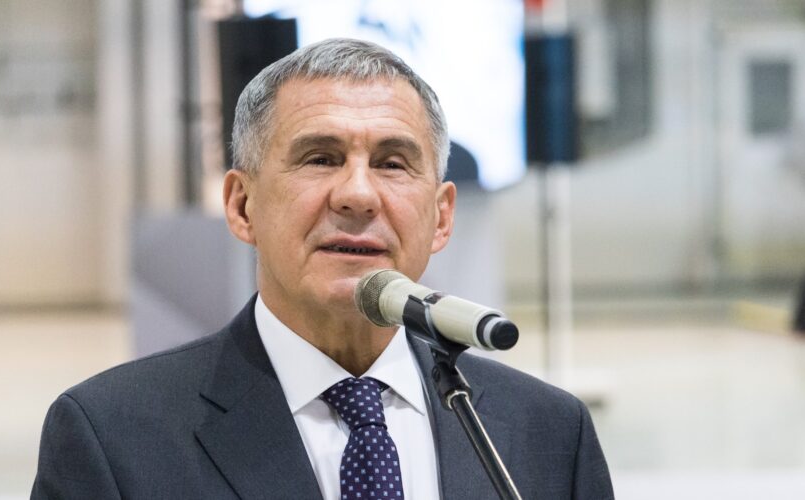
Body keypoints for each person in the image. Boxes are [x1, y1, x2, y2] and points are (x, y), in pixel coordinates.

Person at [32, 38, 613, 499]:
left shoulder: (547, 432)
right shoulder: (112, 437)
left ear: (441, 217)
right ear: (242, 206)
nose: (357, 194)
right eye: (320, 158)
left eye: (392, 163)